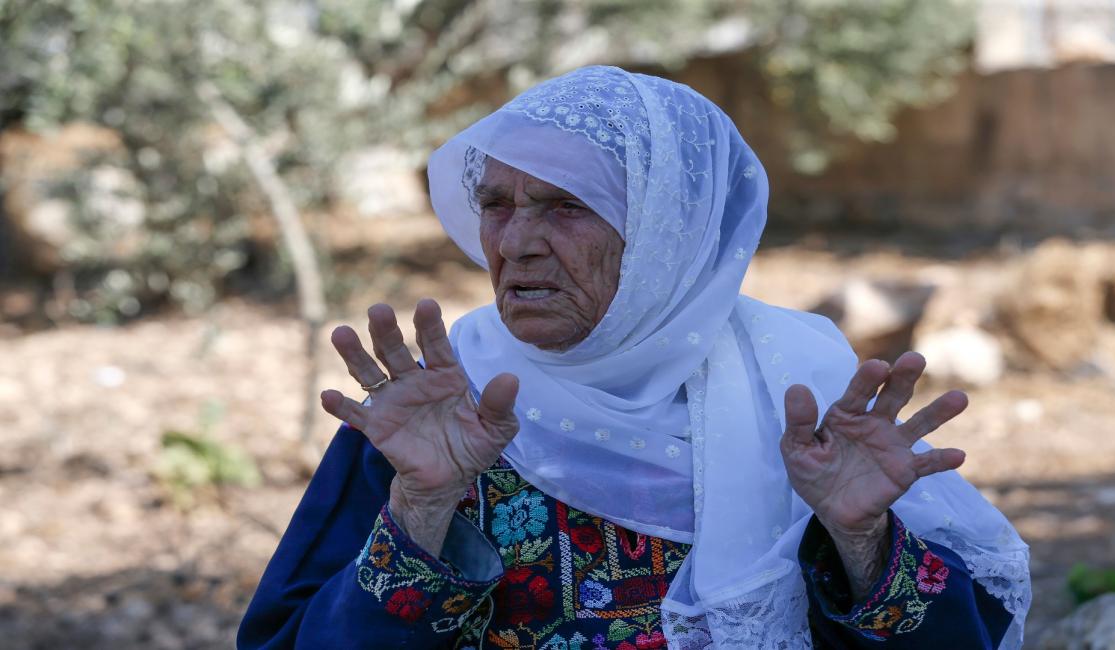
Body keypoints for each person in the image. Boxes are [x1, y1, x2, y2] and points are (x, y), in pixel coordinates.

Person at [238, 66, 1030, 649]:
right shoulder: (437, 404)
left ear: (664, 234)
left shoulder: (799, 393)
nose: (516, 242)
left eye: (566, 206)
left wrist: (861, 541)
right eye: (496, 205)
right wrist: (420, 510)